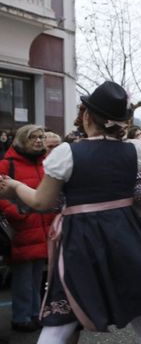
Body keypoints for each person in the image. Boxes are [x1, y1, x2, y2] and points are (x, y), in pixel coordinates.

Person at [0, 81, 141, 343]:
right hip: (127, 235)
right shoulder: (136, 151)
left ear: (86, 115)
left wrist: (14, 186)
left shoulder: (66, 153)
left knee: (61, 316)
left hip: (83, 237)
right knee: (140, 307)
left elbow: (42, 201)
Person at [0, 125, 57, 332]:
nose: (39, 141)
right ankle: (21, 317)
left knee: (36, 276)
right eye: (34, 137)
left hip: (42, 226)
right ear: (22, 140)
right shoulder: (7, 164)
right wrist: (17, 213)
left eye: (41, 137)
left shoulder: (45, 162)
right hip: (21, 227)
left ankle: (35, 314)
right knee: (23, 277)